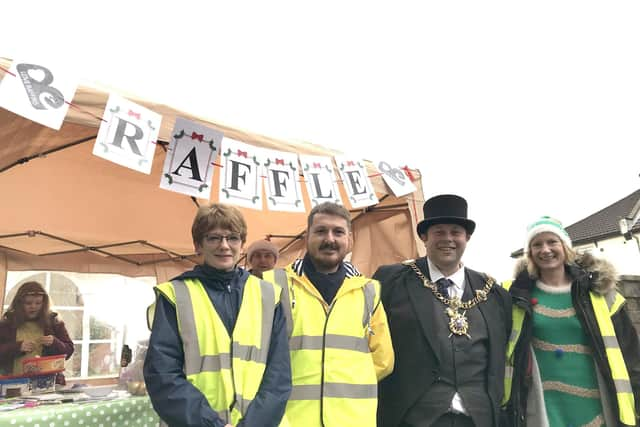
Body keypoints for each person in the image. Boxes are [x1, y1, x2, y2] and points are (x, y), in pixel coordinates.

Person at [144, 203, 291, 427]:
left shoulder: (269, 296)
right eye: (213, 238)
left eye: (232, 238)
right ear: (198, 246)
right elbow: (162, 374)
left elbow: (279, 374)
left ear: (242, 245)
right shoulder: (175, 295)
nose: (224, 246)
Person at [374, 194, 512, 427]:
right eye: (439, 231)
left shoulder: (493, 293)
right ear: (424, 237)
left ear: (467, 237)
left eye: (455, 232)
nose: (447, 239)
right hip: (413, 418)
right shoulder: (392, 282)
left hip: (479, 419)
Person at [262, 202, 394, 427]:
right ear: (307, 238)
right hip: (288, 421)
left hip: (353, 421)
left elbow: (384, 359)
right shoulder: (272, 285)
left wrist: (341, 384)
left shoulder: (369, 291)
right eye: (321, 231)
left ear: (350, 241)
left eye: (338, 232)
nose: (330, 239)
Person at [502, 216, 640, 427]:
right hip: (543, 404)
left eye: (552, 242)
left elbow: (630, 353)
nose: (545, 250)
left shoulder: (600, 292)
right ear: (529, 253)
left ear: (565, 247)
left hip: (598, 400)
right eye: (537, 244)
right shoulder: (515, 295)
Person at [0, 281, 74, 384]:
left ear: (44, 304)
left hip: (49, 382)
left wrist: (55, 343)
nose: (33, 307)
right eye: (28, 303)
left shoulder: (54, 322)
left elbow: (69, 351)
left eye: (38, 303)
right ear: (19, 303)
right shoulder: (6, 323)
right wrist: (17, 347)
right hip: (13, 383)